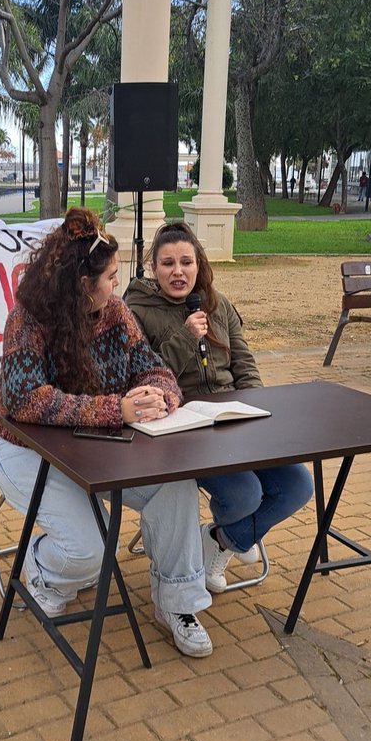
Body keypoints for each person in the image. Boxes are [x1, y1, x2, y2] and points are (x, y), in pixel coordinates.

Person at [0, 207, 213, 658]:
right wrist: (118, 409)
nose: (116, 285)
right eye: (109, 277)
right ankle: (39, 566)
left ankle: (178, 605)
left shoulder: (114, 311)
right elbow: (25, 400)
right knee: (89, 553)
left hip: (95, 447)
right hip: (23, 449)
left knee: (176, 480)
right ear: (81, 284)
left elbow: (149, 363)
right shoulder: (28, 319)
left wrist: (160, 395)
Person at [125, 221, 313, 594]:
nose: (178, 272)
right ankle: (233, 534)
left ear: (199, 264)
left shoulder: (216, 302)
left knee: (297, 485)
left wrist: (256, 410)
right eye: (167, 264)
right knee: (245, 495)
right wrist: (185, 338)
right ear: (153, 267)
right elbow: (141, 380)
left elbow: (244, 364)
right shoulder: (137, 309)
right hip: (184, 428)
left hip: (234, 418)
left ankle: (221, 540)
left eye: (186, 262)